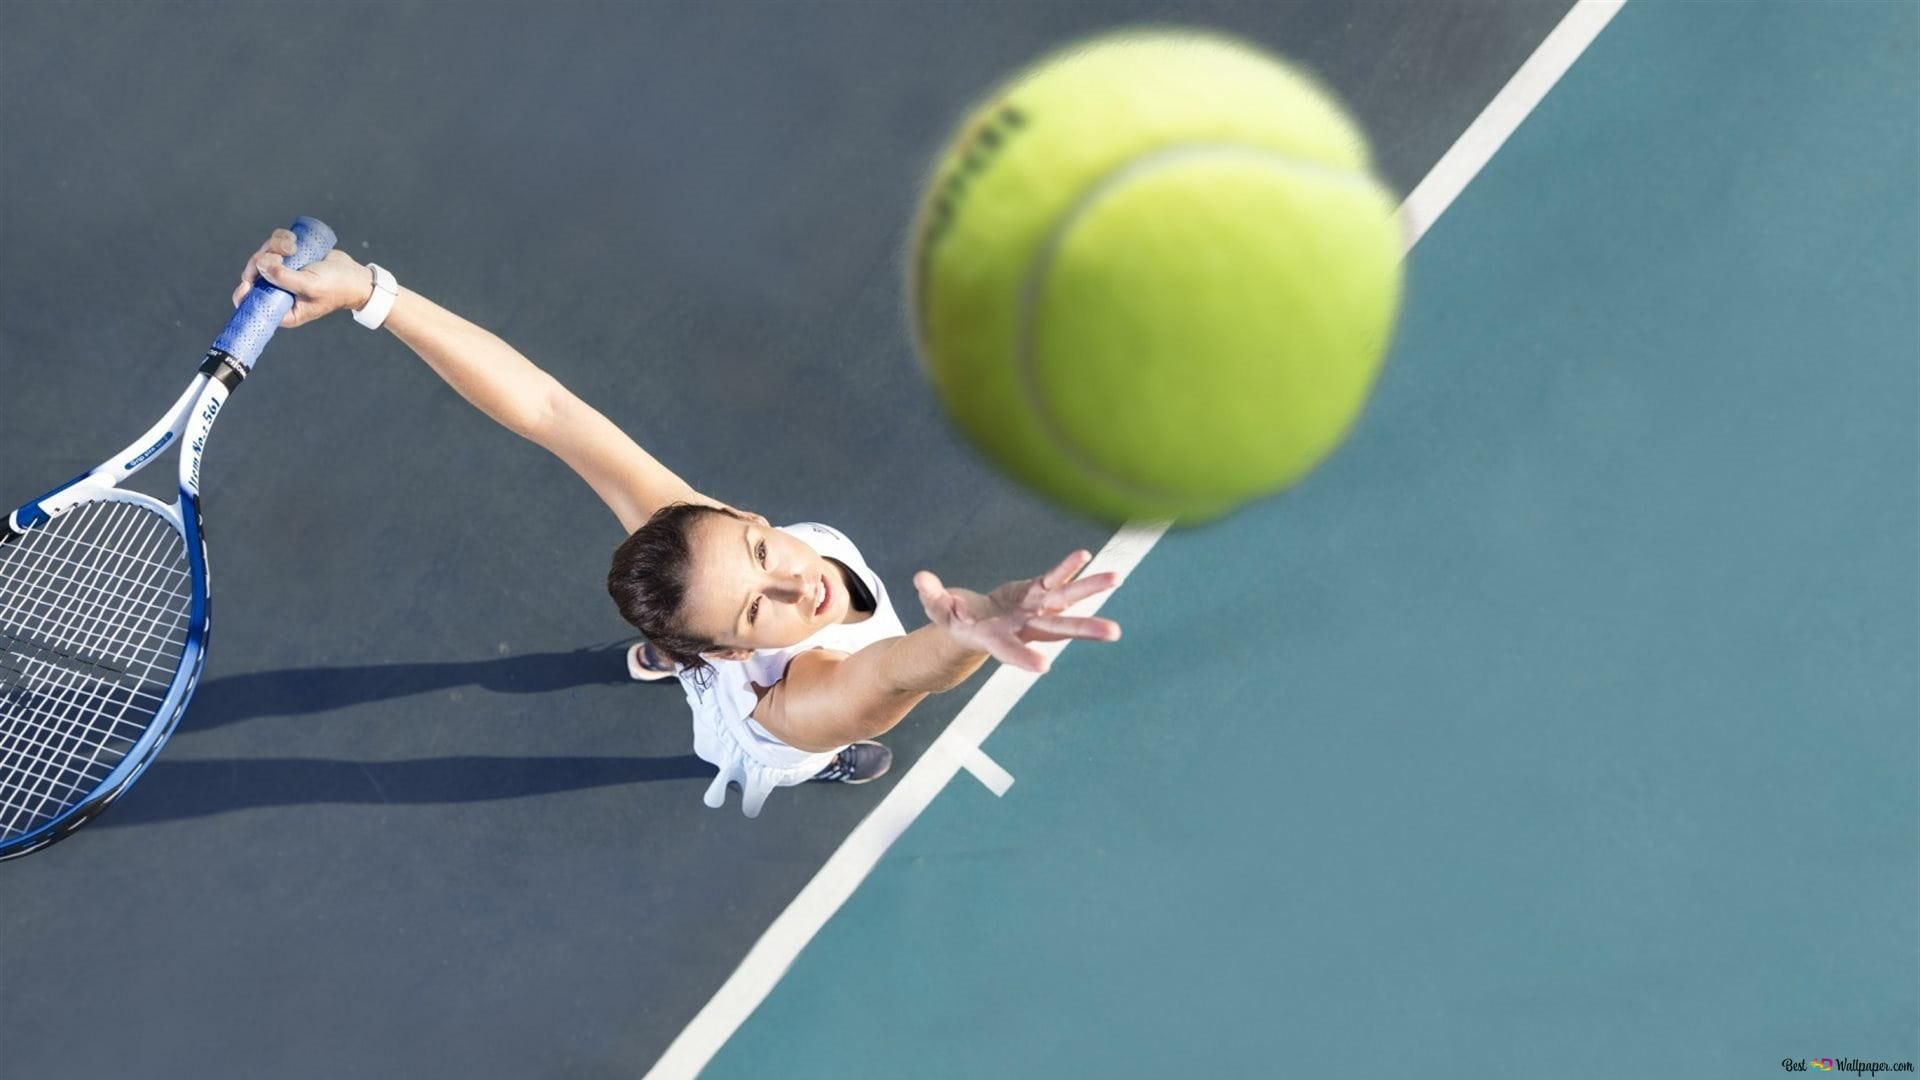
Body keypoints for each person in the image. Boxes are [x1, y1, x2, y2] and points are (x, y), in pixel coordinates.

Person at [235, 228, 1123, 816]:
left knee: (681, 590)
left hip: (700, 629)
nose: (796, 580)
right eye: (757, 611)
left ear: (743, 514)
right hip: (764, 730)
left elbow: (546, 408)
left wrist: (370, 293)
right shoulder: (798, 705)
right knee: (826, 747)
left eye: (759, 549)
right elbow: (890, 679)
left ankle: (664, 648)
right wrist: (966, 639)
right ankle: (676, 658)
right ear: (742, 654)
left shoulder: (704, 538)